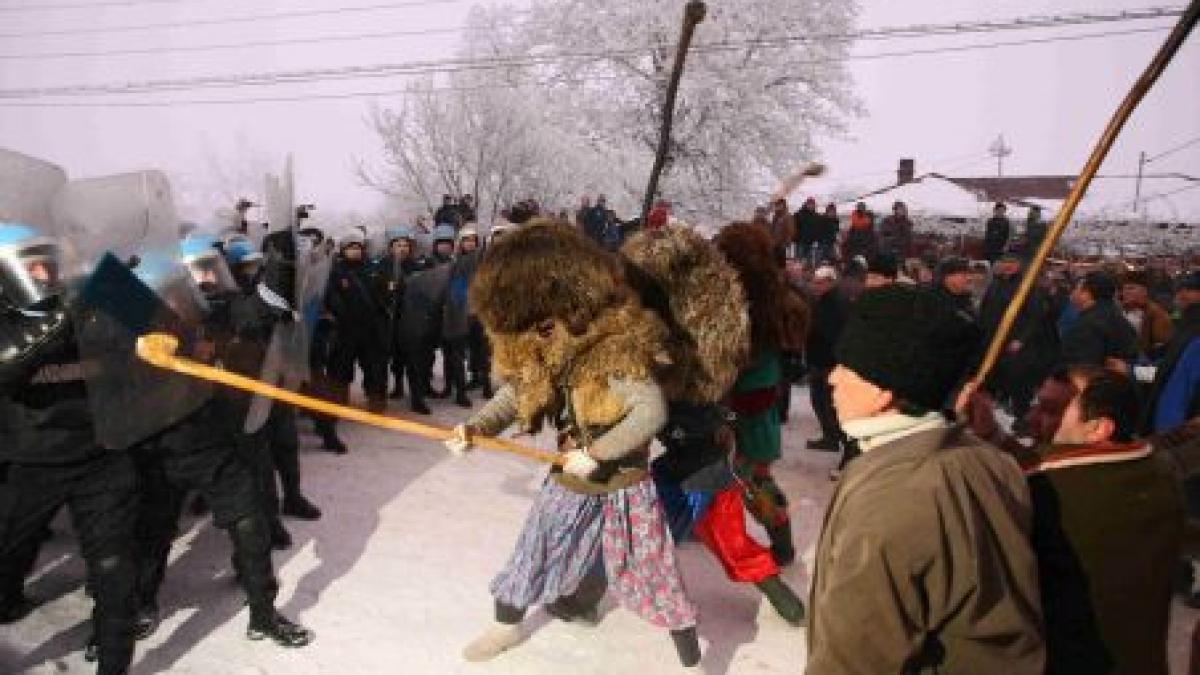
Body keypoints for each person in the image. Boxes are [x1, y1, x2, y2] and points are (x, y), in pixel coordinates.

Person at [445, 220, 701, 669]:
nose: (537, 330)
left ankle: (689, 658)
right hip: (572, 474)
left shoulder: (614, 347)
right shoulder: (543, 340)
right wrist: (476, 429)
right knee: (537, 547)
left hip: (625, 479)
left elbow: (651, 412)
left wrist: (598, 454)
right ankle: (505, 627)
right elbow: (516, 394)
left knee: (654, 565)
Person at [806, 283, 1044, 674]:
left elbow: (852, 661)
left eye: (847, 366)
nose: (832, 378)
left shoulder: (889, 504)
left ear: (884, 391)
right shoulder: (990, 460)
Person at [132, 234, 314, 648]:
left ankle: (264, 615)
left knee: (251, 527)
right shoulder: (139, 321)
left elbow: (266, 306)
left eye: (213, 271)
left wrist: (280, 263)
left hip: (218, 444)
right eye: (198, 274)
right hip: (160, 448)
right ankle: (141, 604)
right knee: (153, 532)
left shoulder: (228, 312)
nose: (208, 282)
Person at [963, 366, 1184, 675]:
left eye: (1053, 411)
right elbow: (1064, 465)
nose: (1032, 419)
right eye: (1037, 405)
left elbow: (1048, 475)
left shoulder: (1046, 493)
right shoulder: (1155, 471)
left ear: (1099, 429)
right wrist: (994, 435)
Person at [0, 222, 140, 675]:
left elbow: (136, 351)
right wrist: (64, 315)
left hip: (98, 454)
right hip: (27, 460)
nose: (44, 273)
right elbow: (9, 365)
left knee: (116, 570)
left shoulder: (85, 305)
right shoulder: (11, 317)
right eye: (31, 265)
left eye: (49, 262)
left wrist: (136, 311)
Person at [715, 223, 809, 567]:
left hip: (742, 398)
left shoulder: (734, 297)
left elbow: (731, 354)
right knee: (746, 472)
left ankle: (780, 541)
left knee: (749, 476)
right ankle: (777, 539)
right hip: (758, 397)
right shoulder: (777, 292)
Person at [979, 253, 1059, 419]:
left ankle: (1020, 419)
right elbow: (985, 310)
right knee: (994, 381)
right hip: (993, 343)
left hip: (1016, 346)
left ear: (1019, 264)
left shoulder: (1026, 286)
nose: (1007, 265)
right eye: (1004, 261)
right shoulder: (995, 284)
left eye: (1012, 262)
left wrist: (1021, 339)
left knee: (1018, 384)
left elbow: (1035, 316)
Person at [325, 231, 388, 415]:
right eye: (351, 248)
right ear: (343, 250)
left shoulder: (372, 269)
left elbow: (382, 295)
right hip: (345, 328)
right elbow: (331, 296)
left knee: (374, 366)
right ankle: (338, 399)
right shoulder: (336, 271)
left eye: (358, 247)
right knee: (340, 366)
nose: (355, 251)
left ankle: (376, 400)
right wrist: (341, 313)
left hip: (370, 328)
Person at [378, 227, 431, 408]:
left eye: (405, 245)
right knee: (394, 359)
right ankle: (397, 387)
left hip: (410, 320)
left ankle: (417, 399)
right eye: (398, 245)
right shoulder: (383, 266)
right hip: (388, 320)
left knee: (413, 360)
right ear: (391, 247)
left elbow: (424, 293)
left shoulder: (415, 266)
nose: (402, 248)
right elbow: (376, 292)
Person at [805, 266, 851, 458]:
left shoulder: (836, 303)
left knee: (827, 402)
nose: (815, 286)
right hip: (821, 359)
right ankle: (830, 437)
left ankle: (837, 439)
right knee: (820, 401)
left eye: (820, 282)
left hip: (828, 362)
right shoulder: (826, 300)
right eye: (814, 282)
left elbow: (831, 333)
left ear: (830, 282)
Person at [1061, 271, 1137, 369]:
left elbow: (1081, 370)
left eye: (1076, 288)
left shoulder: (1085, 327)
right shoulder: (1120, 318)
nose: (1073, 292)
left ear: (1087, 294)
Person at [1121, 270, 1174, 360]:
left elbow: (1162, 347)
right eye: (1124, 289)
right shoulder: (1121, 310)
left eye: (1131, 288)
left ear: (1144, 291)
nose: (1125, 292)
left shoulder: (1157, 314)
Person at [793, 197, 821, 263]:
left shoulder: (816, 216)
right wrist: (795, 237)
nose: (811, 206)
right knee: (798, 261)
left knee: (809, 261)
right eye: (809, 204)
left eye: (812, 204)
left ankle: (809, 271)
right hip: (800, 242)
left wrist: (816, 238)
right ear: (806, 204)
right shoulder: (799, 214)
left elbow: (818, 229)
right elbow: (794, 227)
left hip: (811, 242)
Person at [768, 198, 795, 265]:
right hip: (774, 242)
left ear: (783, 206)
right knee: (774, 260)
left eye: (780, 205)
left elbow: (790, 230)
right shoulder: (775, 216)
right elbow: (772, 229)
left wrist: (787, 242)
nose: (778, 207)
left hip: (782, 243)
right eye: (777, 205)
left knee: (781, 261)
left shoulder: (787, 216)